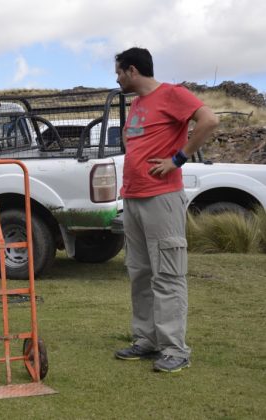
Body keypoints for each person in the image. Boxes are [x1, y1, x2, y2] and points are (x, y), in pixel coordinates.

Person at [113, 47, 219, 372]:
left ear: (132, 70)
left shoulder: (172, 94)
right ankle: (147, 340)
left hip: (161, 197)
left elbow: (209, 120)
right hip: (133, 197)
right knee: (140, 272)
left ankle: (175, 349)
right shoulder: (138, 104)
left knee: (168, 273)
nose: (116, 78)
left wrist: (178, 158)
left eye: (118, 72)